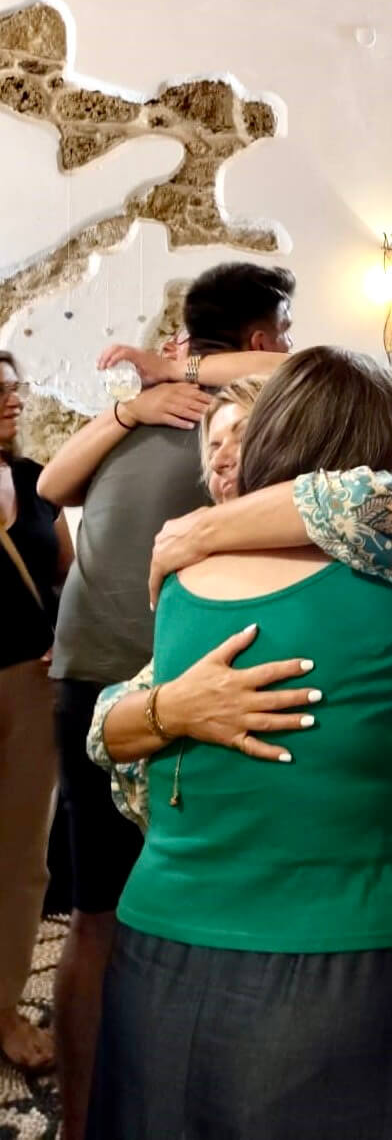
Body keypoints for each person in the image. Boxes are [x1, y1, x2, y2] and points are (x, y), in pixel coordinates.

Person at [93, 338, 392, 1139]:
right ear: (382, 457)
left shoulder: (184, 576)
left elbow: (119, 730)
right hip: (345, 955)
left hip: (158, 949)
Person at [37, 261, 294, 1139]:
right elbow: (50, 488)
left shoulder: (187, 400)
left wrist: (155, 384)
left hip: (98, 674)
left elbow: (51, 488)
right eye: (283, 329)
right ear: (262, 336)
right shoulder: (246, 410)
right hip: (167, 682)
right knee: (154, 908)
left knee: (101, 915)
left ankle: (86, 1122)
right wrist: (135, 402)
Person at [0, 353, 73, 1073]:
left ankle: (4, 1005)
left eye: (14, 385)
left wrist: (67, 633)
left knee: (22, 857)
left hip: (28, 680)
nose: (12, 399)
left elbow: (70, 573)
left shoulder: (34, 480)